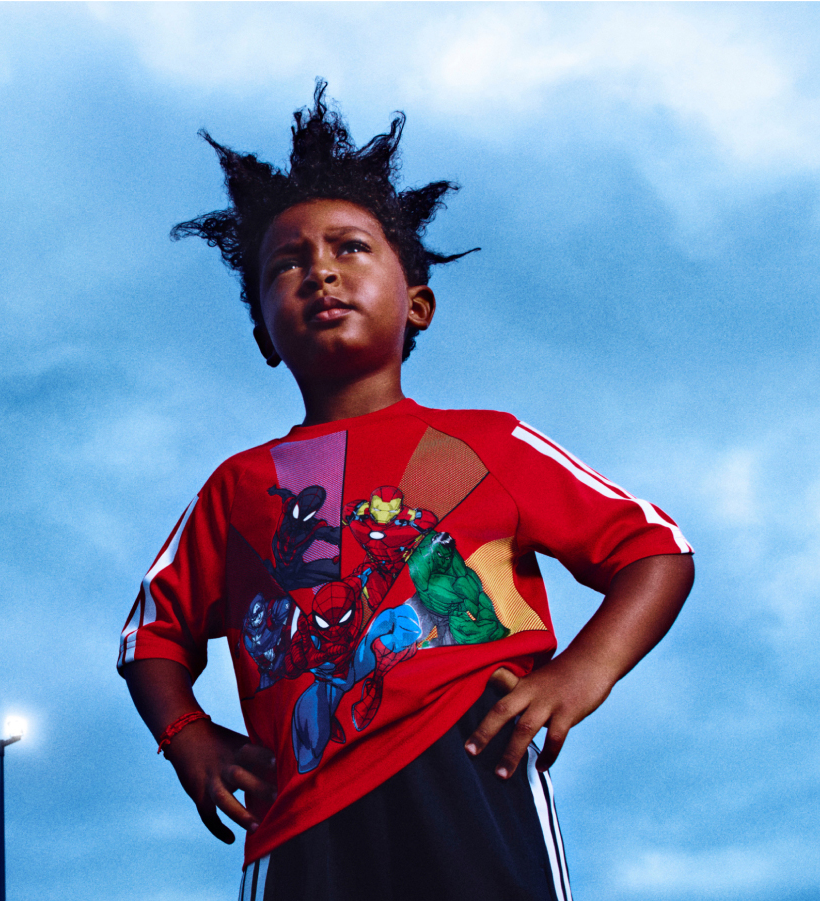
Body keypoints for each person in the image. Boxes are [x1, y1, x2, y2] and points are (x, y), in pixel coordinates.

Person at [117, 82, 694, 901]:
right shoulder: (240, 486)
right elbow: (151, 635)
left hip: (471, 770)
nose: (318, 270)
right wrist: (188, 736)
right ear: (262, 335)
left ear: (417, 303)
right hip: (301, 814)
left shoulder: (483, 444)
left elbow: (654, 549)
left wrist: (580, 673)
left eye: (349, 248)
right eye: (286, 263)